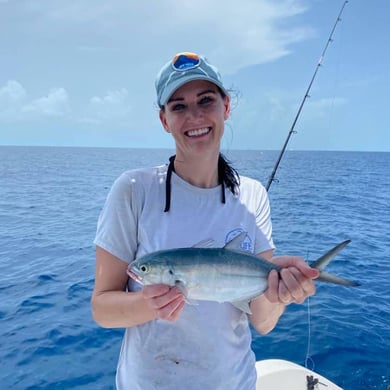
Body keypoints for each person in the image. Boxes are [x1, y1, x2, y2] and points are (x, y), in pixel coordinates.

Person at [91, 52, 319, 390]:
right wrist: (146, 303)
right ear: (164, 120)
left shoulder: (253, 196)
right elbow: (102, 308)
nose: (194, 115)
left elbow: (262, 320)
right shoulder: (134, 191)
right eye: (178, 106)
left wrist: (280, 293)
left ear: (226, 107)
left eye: (206, 100)